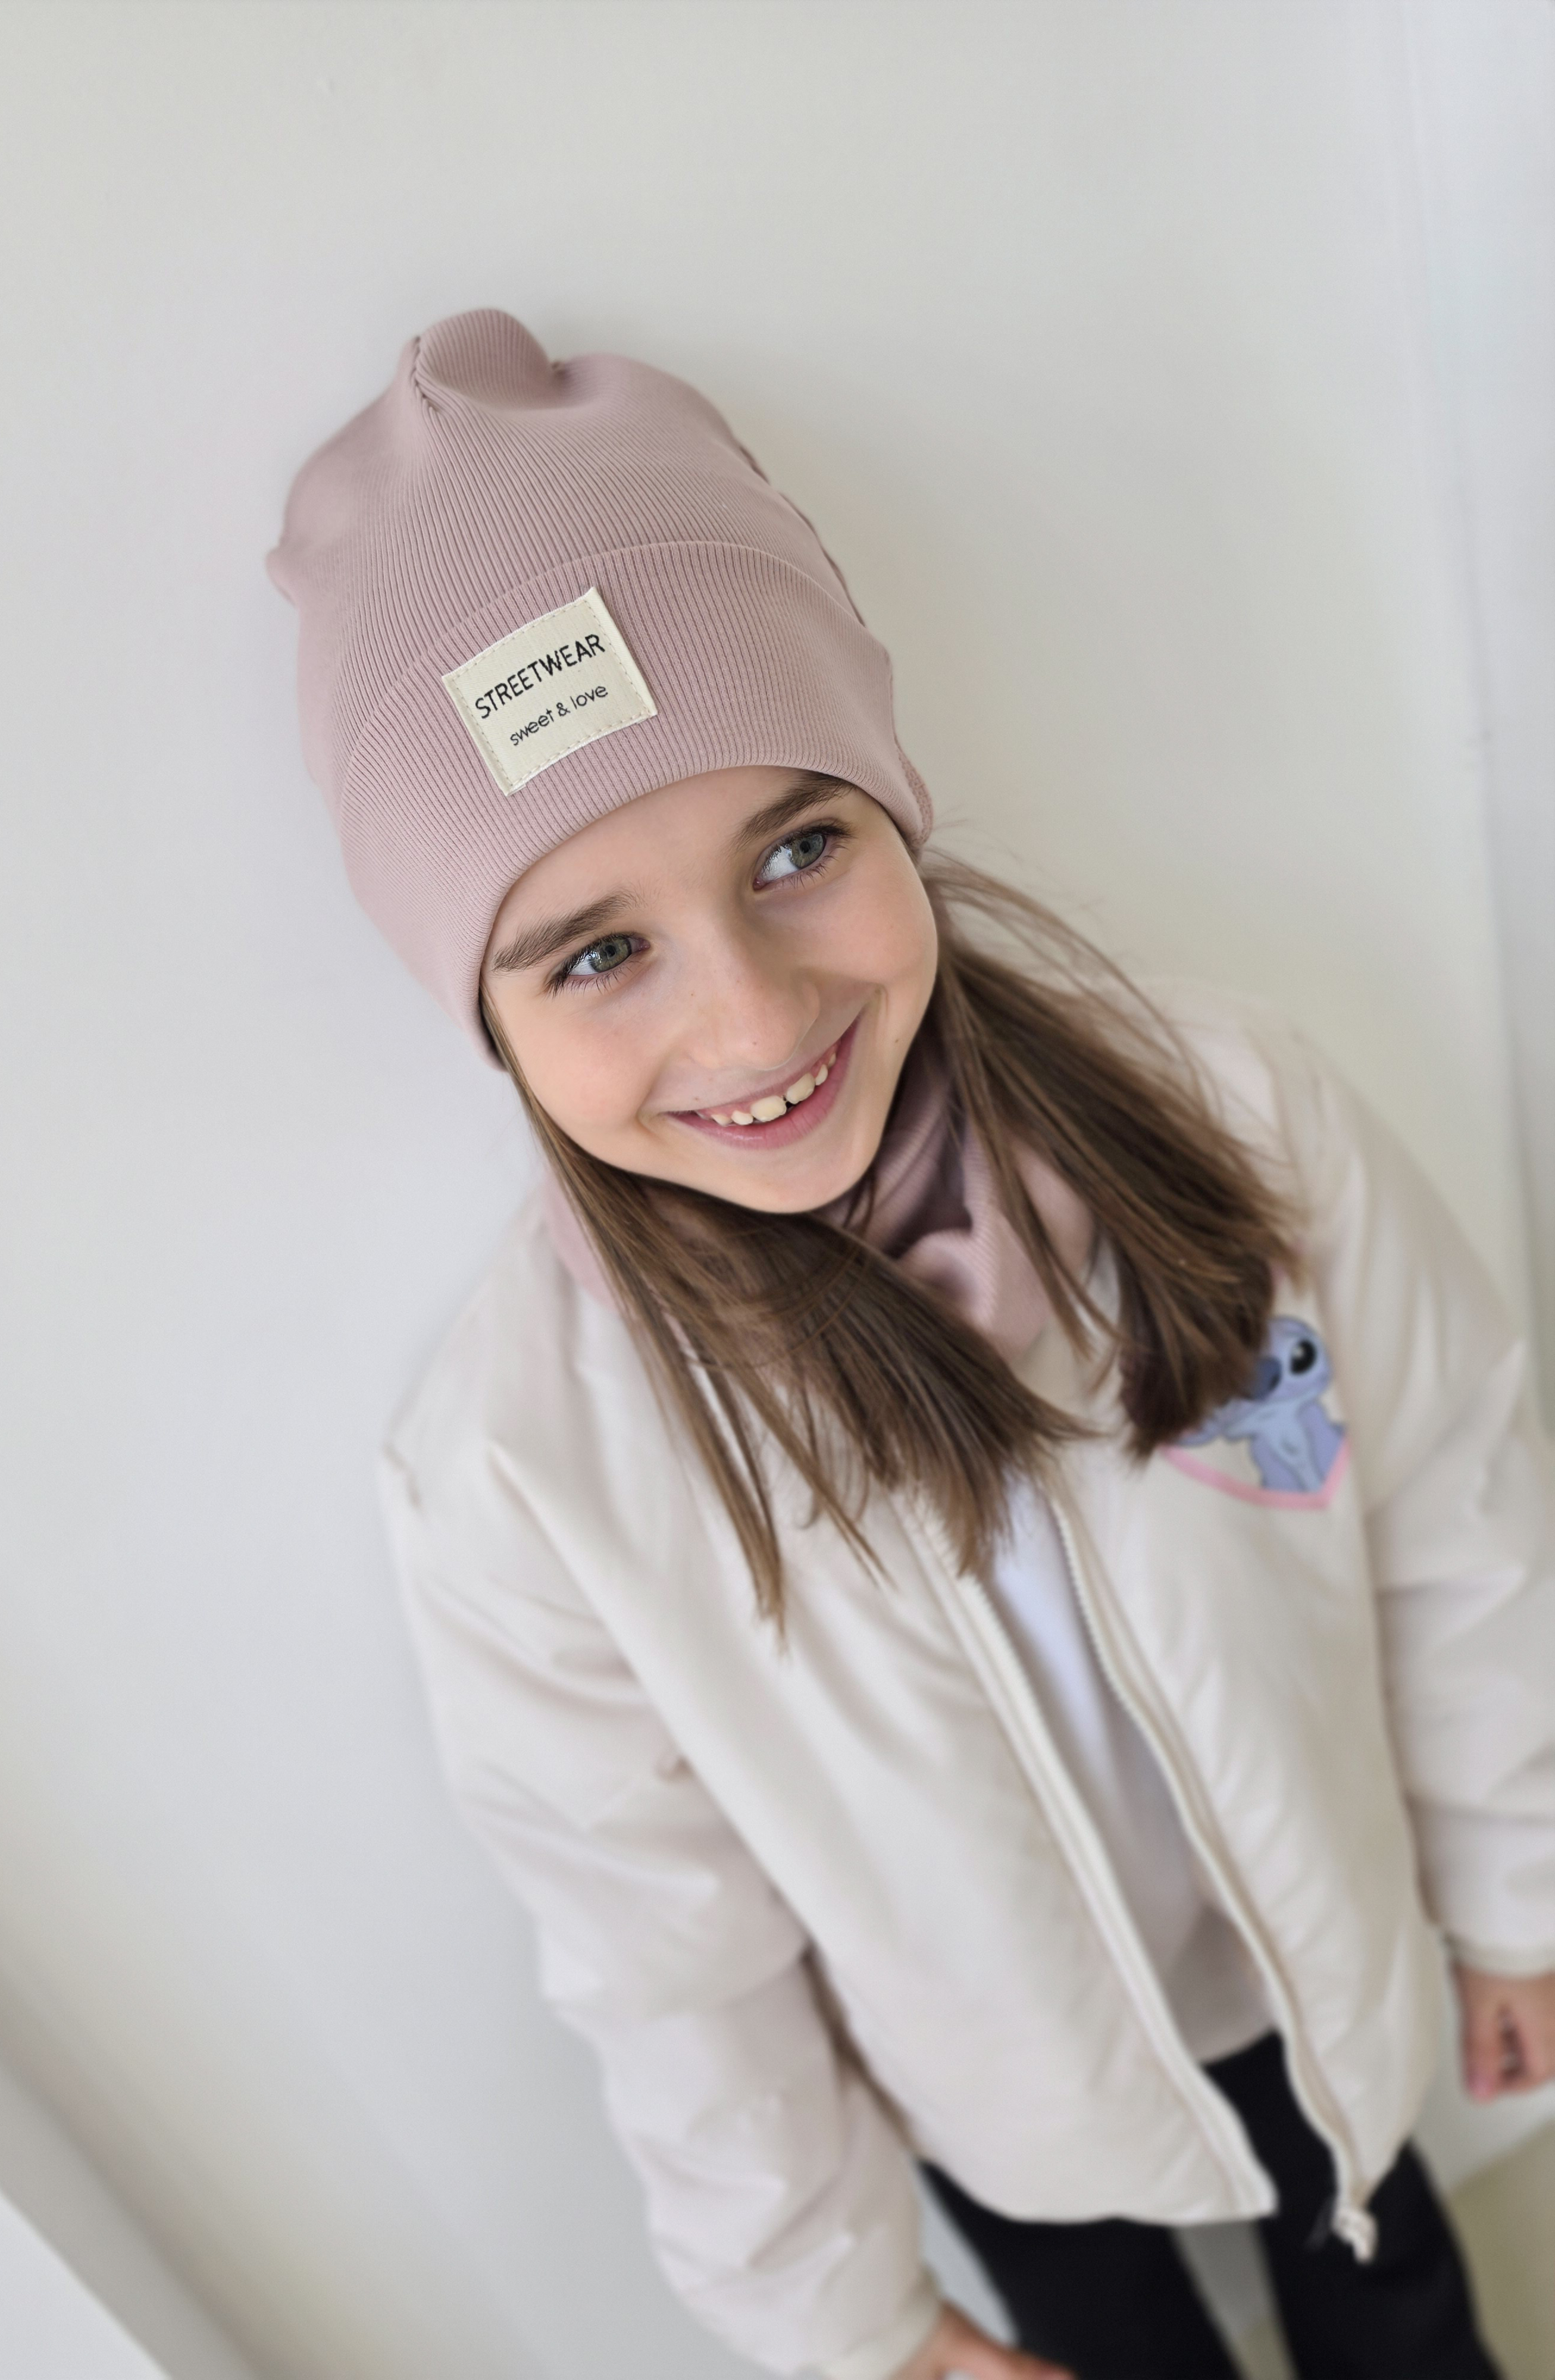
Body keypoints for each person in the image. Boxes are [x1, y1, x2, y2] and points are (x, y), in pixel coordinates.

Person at [266, 309, 1555, 2380]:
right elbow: (668, 1965)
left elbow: (1457, 1506)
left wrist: (1520, 1888)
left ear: (896, 805)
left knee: (1395, 2305)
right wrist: (853, 2323)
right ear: (482, 1010)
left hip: (1331, 1975)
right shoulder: (524, 1475)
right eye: (599, 952)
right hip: (1010, 2126)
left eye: (800, 850)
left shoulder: (1235, 1115)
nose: (755, 1019)